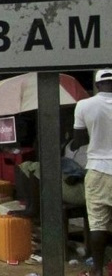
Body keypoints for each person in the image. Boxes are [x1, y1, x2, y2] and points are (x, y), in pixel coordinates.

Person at [72, 69, 112, 276]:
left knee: (98, 222)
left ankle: (97, 270)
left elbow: (78, 141)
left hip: (98, 170)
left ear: (97, 85)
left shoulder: (84, 105)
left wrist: (93, 133)